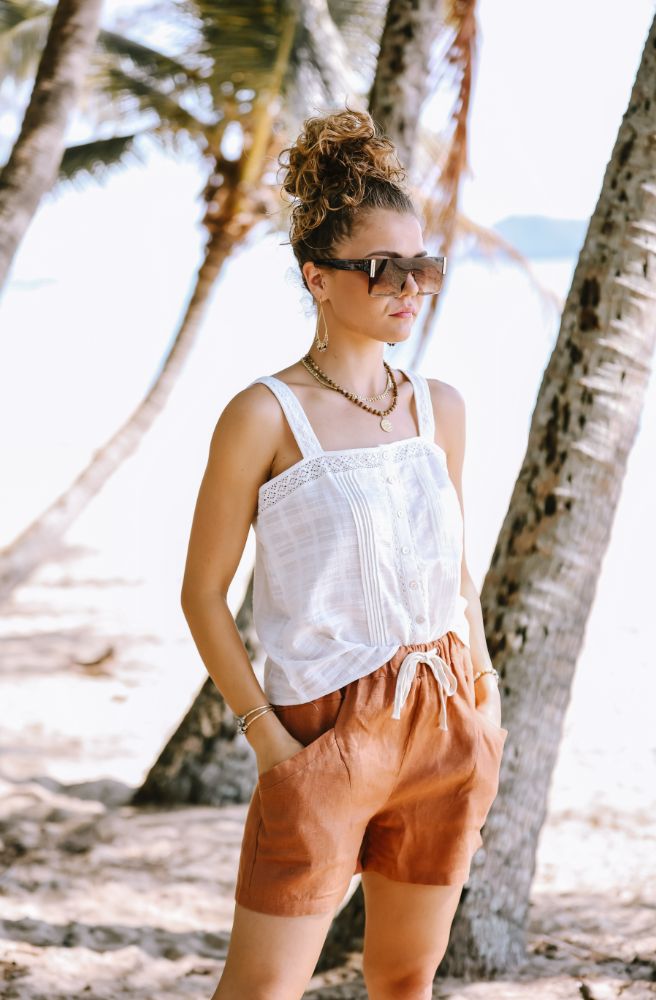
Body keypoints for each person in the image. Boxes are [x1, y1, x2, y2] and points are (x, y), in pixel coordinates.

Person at [180, 106, 508, 1000]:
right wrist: (269, 743)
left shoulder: (440, 407)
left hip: (445, 719)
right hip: (322, 732)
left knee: (405, 981)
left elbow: (457, 573)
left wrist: (485, 702)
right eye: (383, 269)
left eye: (424, 266)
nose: (410, 286)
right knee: (260, 992)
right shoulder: (262, 416)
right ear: (318, 278)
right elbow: (203, 594)